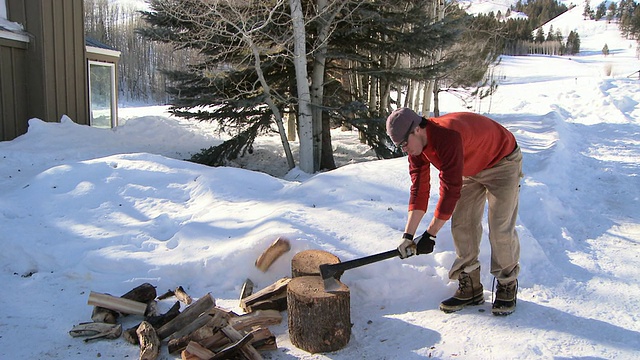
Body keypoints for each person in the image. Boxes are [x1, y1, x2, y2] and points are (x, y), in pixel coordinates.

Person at [386, 108, 523, 316]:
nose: (404, 150)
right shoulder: (417, 149)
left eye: (404, 144)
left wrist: (430, 234)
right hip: (468, 167)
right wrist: (408, 236)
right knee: (462, 224)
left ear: (416, 130)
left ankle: (507, 283)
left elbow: (449, 192)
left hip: (502, 161)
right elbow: (419, 190)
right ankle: (471, 287)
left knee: (499, 227)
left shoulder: (446, 137)